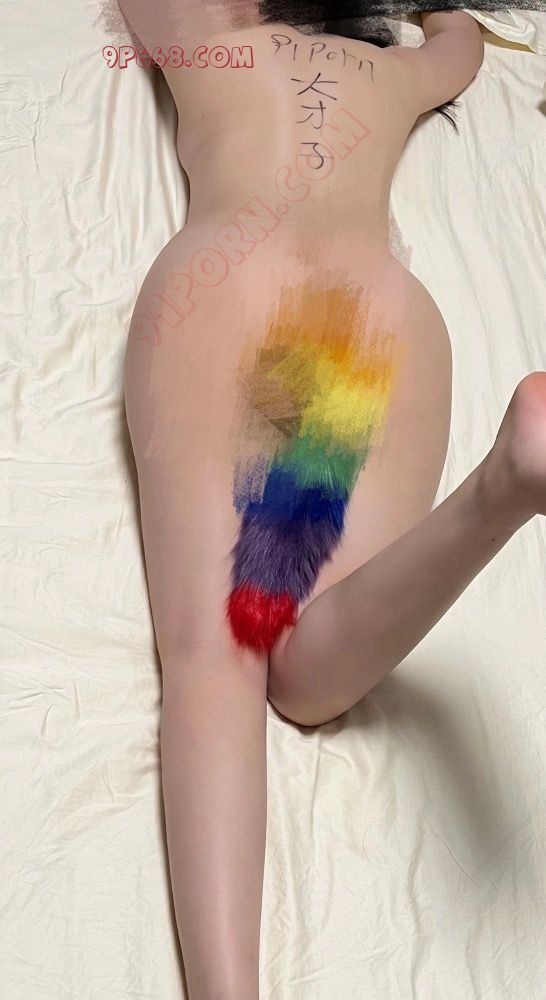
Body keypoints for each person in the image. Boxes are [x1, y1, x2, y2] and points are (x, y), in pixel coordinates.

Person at [119, 3, 545, 997]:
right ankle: (502, 489)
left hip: (233, 275)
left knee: (218, 653)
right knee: (307, 681)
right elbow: (461, 47)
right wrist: (437, 14)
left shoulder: (207, 36)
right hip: (377, 311)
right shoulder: (393, 75)